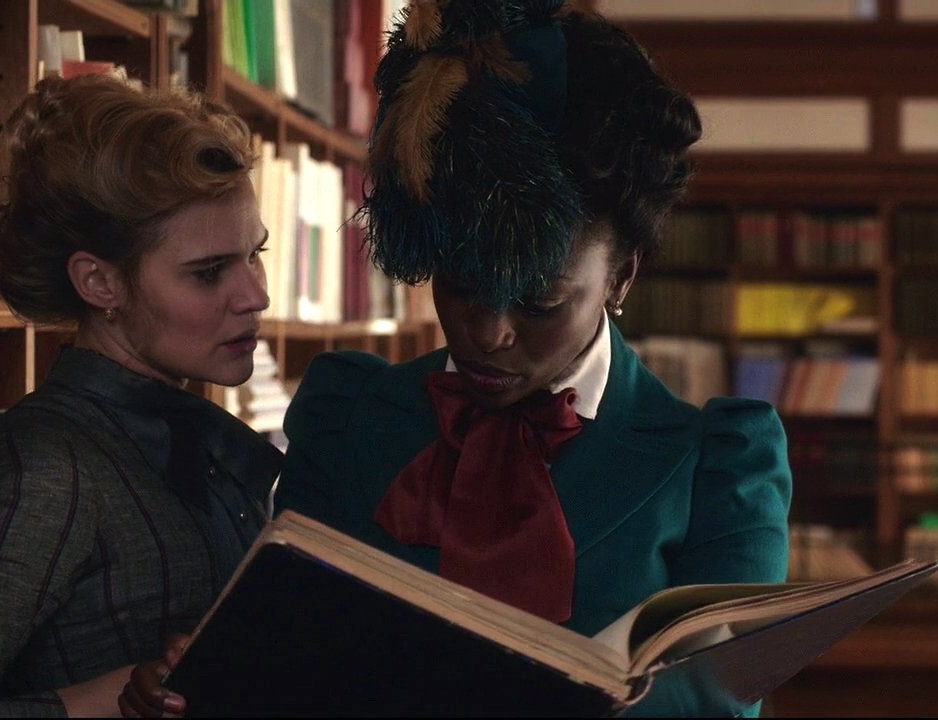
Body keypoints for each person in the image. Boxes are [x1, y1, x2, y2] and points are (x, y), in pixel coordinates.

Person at [126, 1, 791, 717]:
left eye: (539, 302)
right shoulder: (346, 417)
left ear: (621, 277)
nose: (490, 333)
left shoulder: (717, 466)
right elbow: (284, 658)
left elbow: (720, 708)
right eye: (463, 285)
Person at [0, 72, 280, 718]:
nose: (256, 295)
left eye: (253, 254)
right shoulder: (45, 468)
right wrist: (117, 697)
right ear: (99, 283)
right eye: (208, 273)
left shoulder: (189, 443)